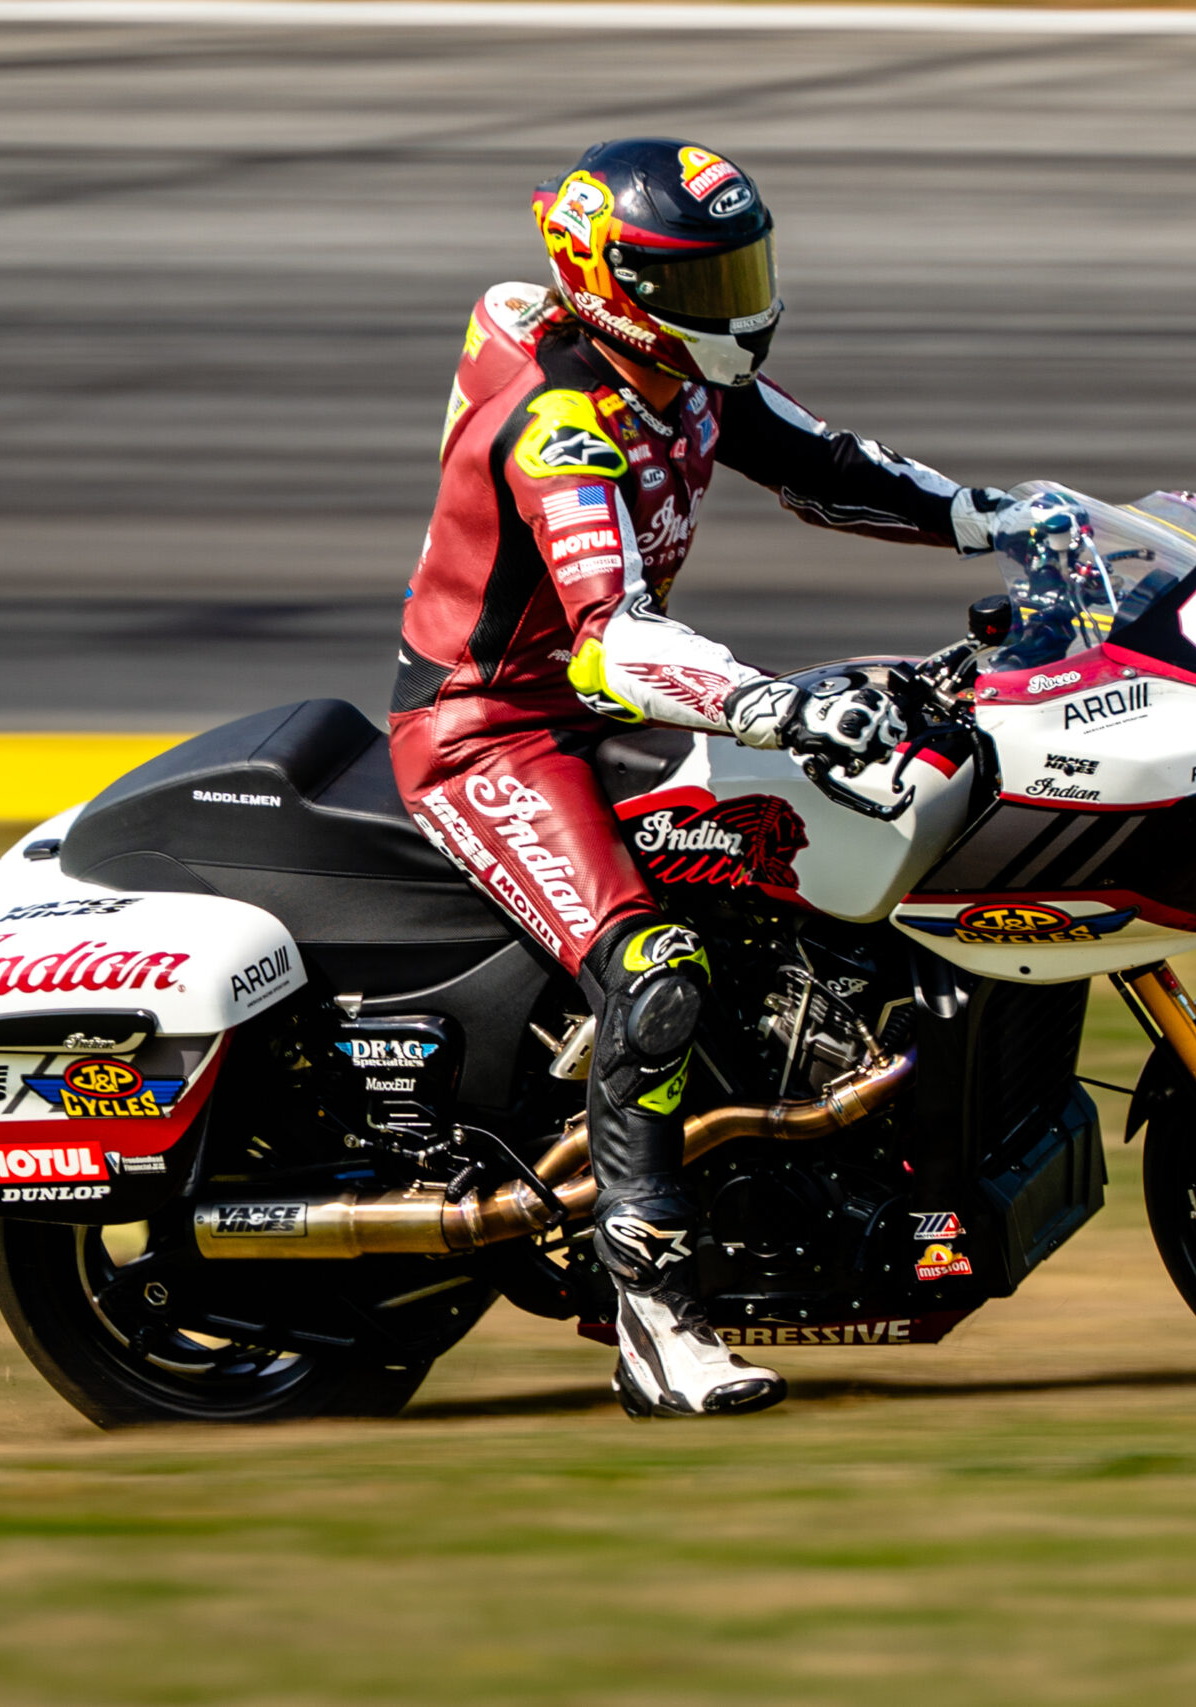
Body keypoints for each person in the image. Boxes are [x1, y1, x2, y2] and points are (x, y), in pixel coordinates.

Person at [389, 138, 1007, 1419]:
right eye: (702, 281)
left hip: (599, 712)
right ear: (613, 285)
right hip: (491, 729)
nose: (739, 303)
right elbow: (613, 640)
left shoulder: (674, 376)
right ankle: (656, 1321)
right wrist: (771, 703)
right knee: (656, 970)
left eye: (742, 270)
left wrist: (1002, 519)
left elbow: (826, 466)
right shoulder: (563, 425)